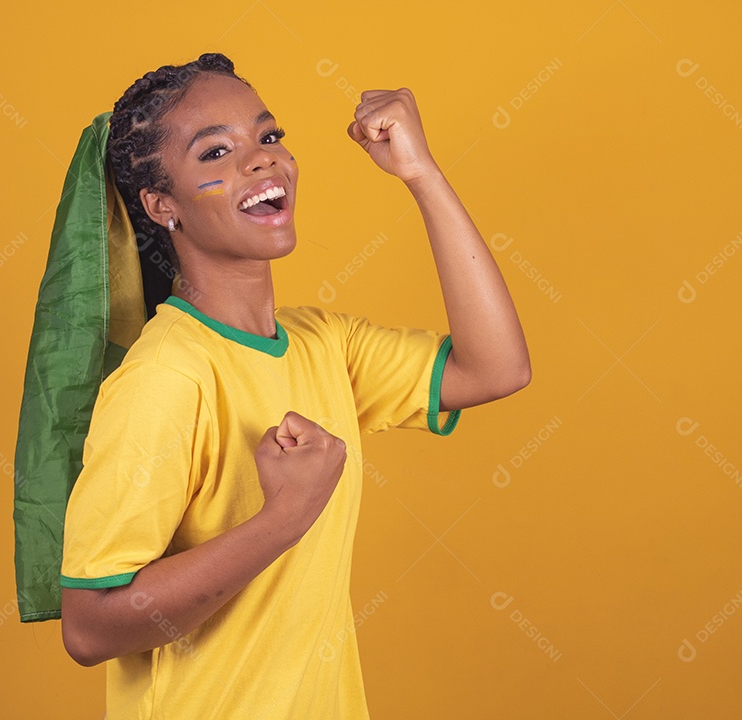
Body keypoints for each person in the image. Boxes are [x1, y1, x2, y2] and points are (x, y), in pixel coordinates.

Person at [59, 52, 530, 719]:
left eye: (269, 136)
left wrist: (420, 173)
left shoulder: (322, 345)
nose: (261, 159)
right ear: (162, 205)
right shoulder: (165, 377)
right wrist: (282, 520)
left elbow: (495, 368)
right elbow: (88, 627)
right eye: (216, 152)